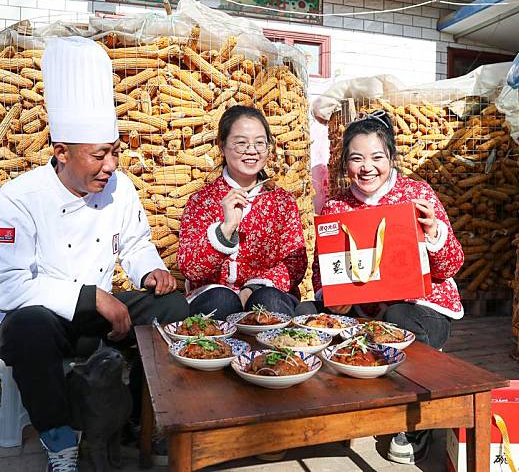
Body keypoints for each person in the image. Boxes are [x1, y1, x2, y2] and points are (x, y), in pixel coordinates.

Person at [0, 37, 189, 472]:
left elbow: (137, 244)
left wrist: (151, 273)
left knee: (174, 304)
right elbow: (10, 285)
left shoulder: (119, 188)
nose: (110, 166)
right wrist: (89, 297)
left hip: (104, 317)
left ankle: (144, 418)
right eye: (99, 155)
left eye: (115, 153)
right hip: (50, 320)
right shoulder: (18, 198)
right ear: (61, 152)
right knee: (24, 329)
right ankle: (60, 440)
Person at [298, 109, 465, 465]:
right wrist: (333, 296)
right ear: (345, 163)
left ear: (391, 158)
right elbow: (320, 271)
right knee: (305, 314)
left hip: (419, 308)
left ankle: (412, 424)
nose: (367, 167)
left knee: (399, 315)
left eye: (377, 157)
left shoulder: (417, 196)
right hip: (361, 308)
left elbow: (450, 265)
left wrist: (434, 232)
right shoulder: (336, 206)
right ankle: (331, 413)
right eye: (356, 158)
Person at [177, 105, 307, 319]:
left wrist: (253, 288)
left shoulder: (282, 201)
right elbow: (190, 268)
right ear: (222, 146)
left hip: (270, 291)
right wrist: (225, 230)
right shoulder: (202, 201)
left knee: (268, 301)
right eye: (241, 143)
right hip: (214, 295)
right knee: (223, 300)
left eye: (259, 143)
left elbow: (295, 263)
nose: (252, 150)